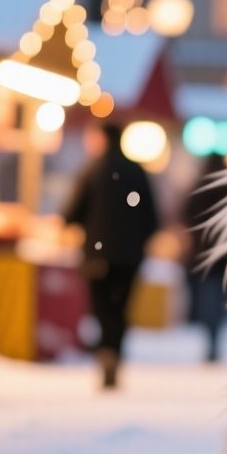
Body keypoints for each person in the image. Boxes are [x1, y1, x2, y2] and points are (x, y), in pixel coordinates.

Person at [65, 120, 160, 389]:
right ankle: (115, 354)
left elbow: (72, 212)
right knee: (121, 308)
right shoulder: (137, 172)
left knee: (102, 307)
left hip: (97, 255)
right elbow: (152, 218)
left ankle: (106, 353)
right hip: (130, 257)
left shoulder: (92, 171)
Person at [181, 154, 227, 364]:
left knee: (206, 298)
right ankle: (214, 338)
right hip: (225, 254)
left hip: (202, 254)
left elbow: (186, 215)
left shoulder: (199, 187)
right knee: (219, 298)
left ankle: (209, 337)